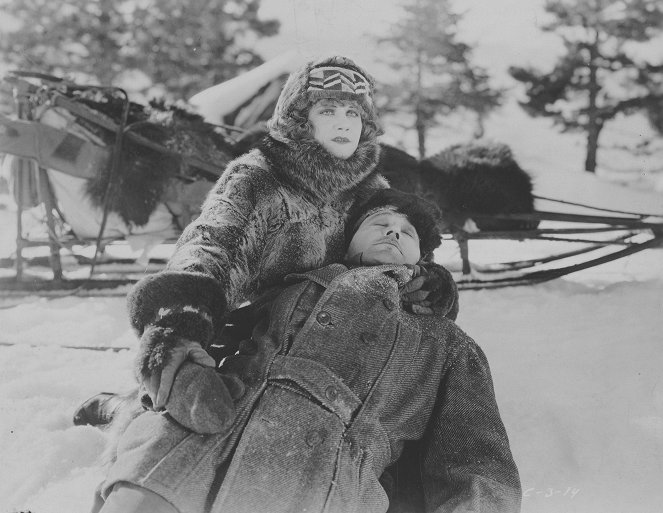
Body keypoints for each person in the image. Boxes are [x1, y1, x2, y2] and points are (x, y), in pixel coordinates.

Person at [74, 55, 458, 428]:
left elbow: (396, 245)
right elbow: (210, 245)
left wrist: (431, 283)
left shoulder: (371, 189)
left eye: (353, 113)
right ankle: (120, 409)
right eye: (328, 111)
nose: (343, 124)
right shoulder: (255, 177)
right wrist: (178, 319)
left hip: (337, 331)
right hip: (251, 333)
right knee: (192, 413)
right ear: (301, 122)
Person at [94, 188, 520, 513]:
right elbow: (209, 346)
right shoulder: (292, 287)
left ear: (423, 258)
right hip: (205, 434)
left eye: (406, 233)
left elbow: (476, 460)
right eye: (379, 223)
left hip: (321, 475)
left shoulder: (447, 343)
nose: (393, 231)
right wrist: (168, 381)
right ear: (348, 241)